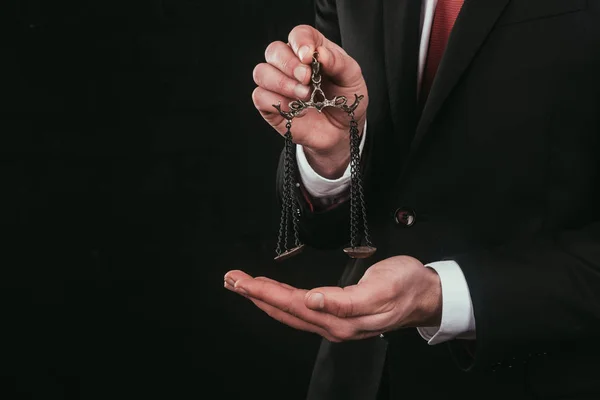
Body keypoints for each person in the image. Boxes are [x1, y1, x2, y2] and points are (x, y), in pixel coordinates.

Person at [225, 0, 600, 399]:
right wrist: (332, 157)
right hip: (361, 377)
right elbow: (331, 221)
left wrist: (442, 295)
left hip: (548, 373)